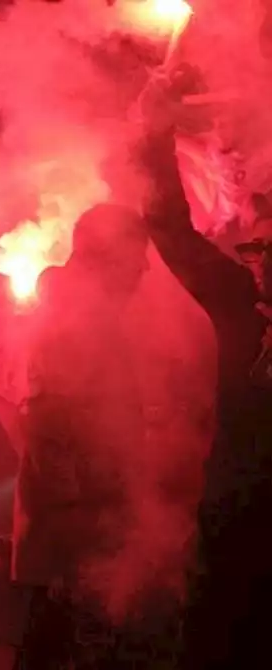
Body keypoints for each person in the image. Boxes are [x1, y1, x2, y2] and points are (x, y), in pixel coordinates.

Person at [140, 131, 273, 669]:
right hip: (233, 513)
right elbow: (171, 230)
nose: (260, 263)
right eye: (260, 252)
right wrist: (150, 138)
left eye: (267, 253)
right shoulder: (240, 305)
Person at [14, 203, 152, 667]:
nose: (145, 265)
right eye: (138, 252)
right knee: (63, 636)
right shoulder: (75, 318)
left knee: (54, 634)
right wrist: (74, 517)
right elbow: (51, 422)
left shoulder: (90, 310)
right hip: (78, 512)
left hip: (82, 506)